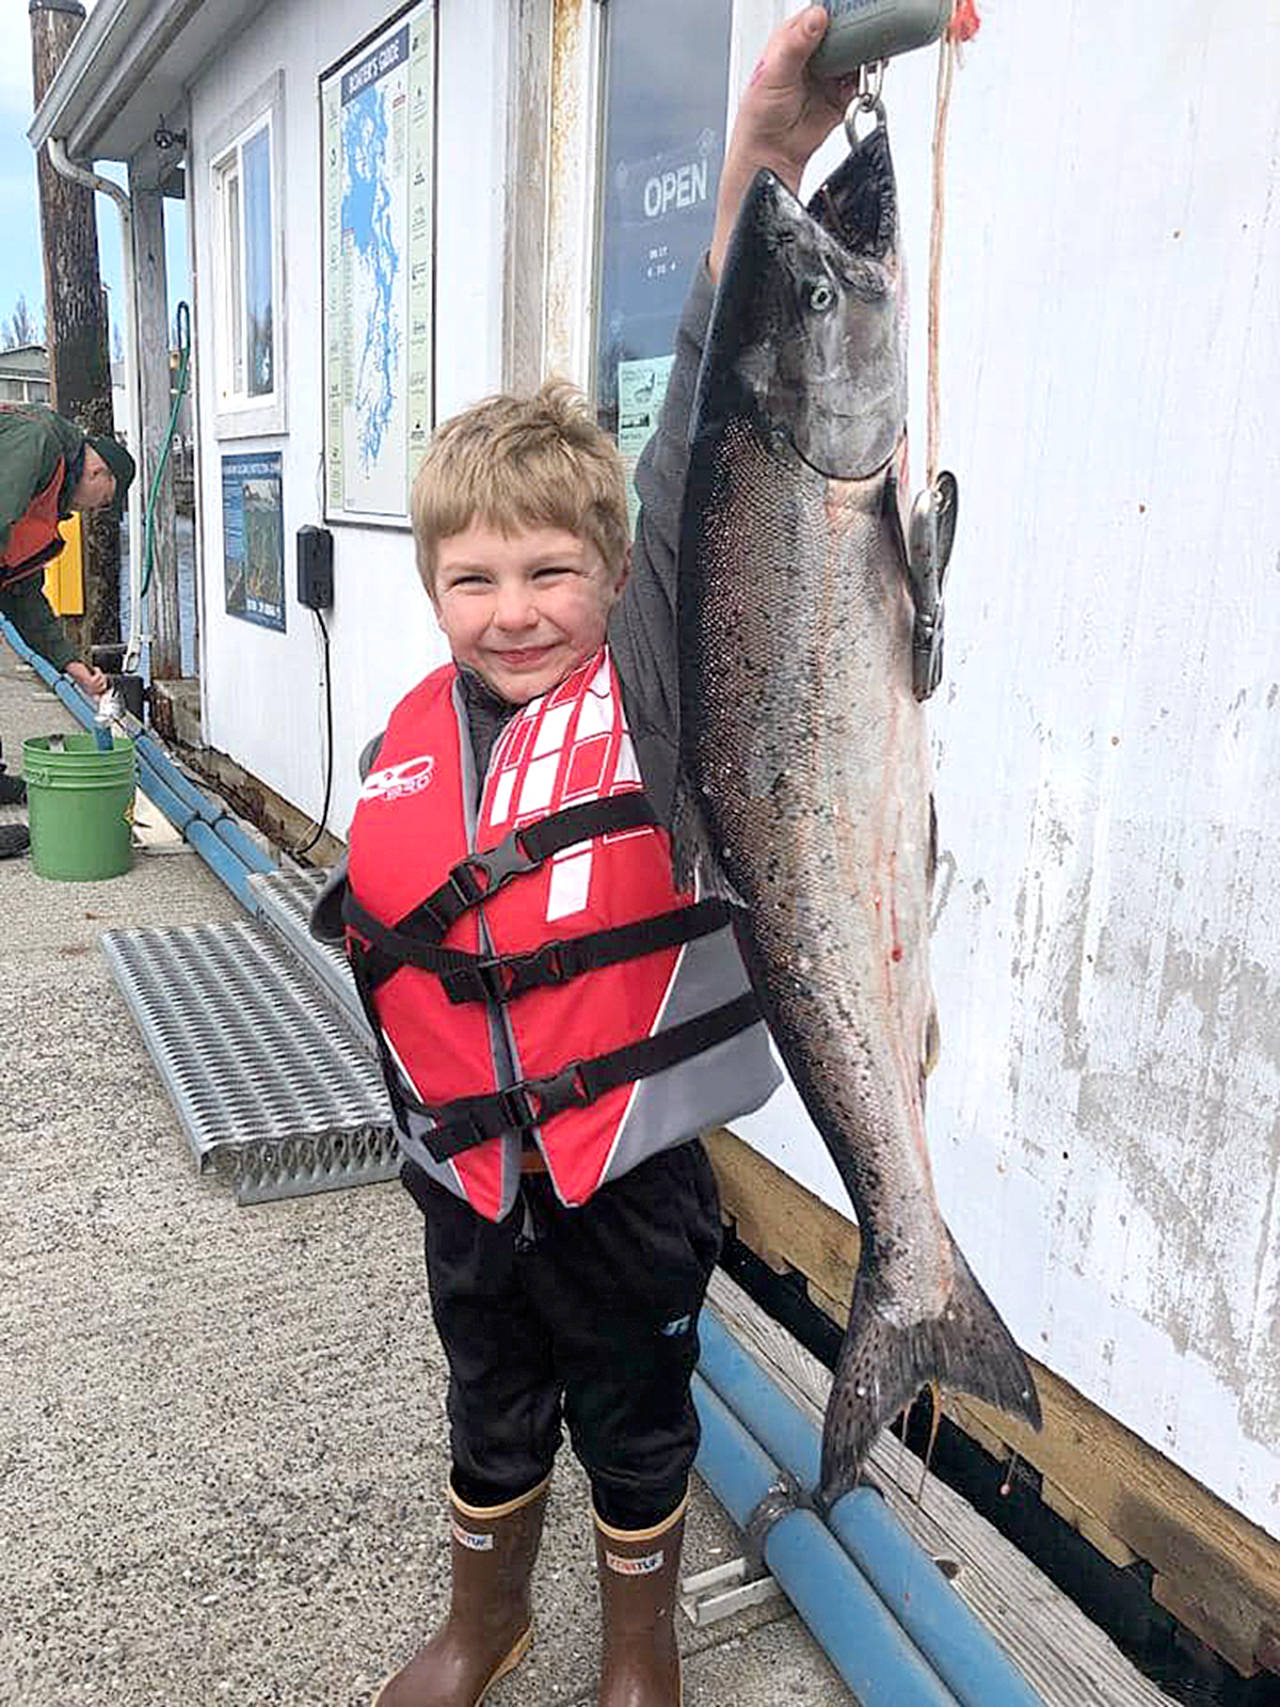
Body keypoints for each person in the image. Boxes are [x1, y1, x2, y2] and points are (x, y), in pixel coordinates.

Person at [311, 11, 853, 1705]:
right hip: (468, 1181)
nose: (515, 609)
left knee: (637, 1423)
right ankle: (487, 1619)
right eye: (473, 579)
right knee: (488, 1409)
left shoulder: (649, 692)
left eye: (552, 571)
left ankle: (638, 1644)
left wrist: (763, 152)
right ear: (433, 590)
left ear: (616, 577)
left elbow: (701, 431)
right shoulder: (412, 728)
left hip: (628, 1181)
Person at [0, 402, 135, 858]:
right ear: (97, 472)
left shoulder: (46, 498)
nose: (92, 510)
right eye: (102, 500)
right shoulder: (37, 443)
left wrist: (71, 664)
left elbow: (22, 595)